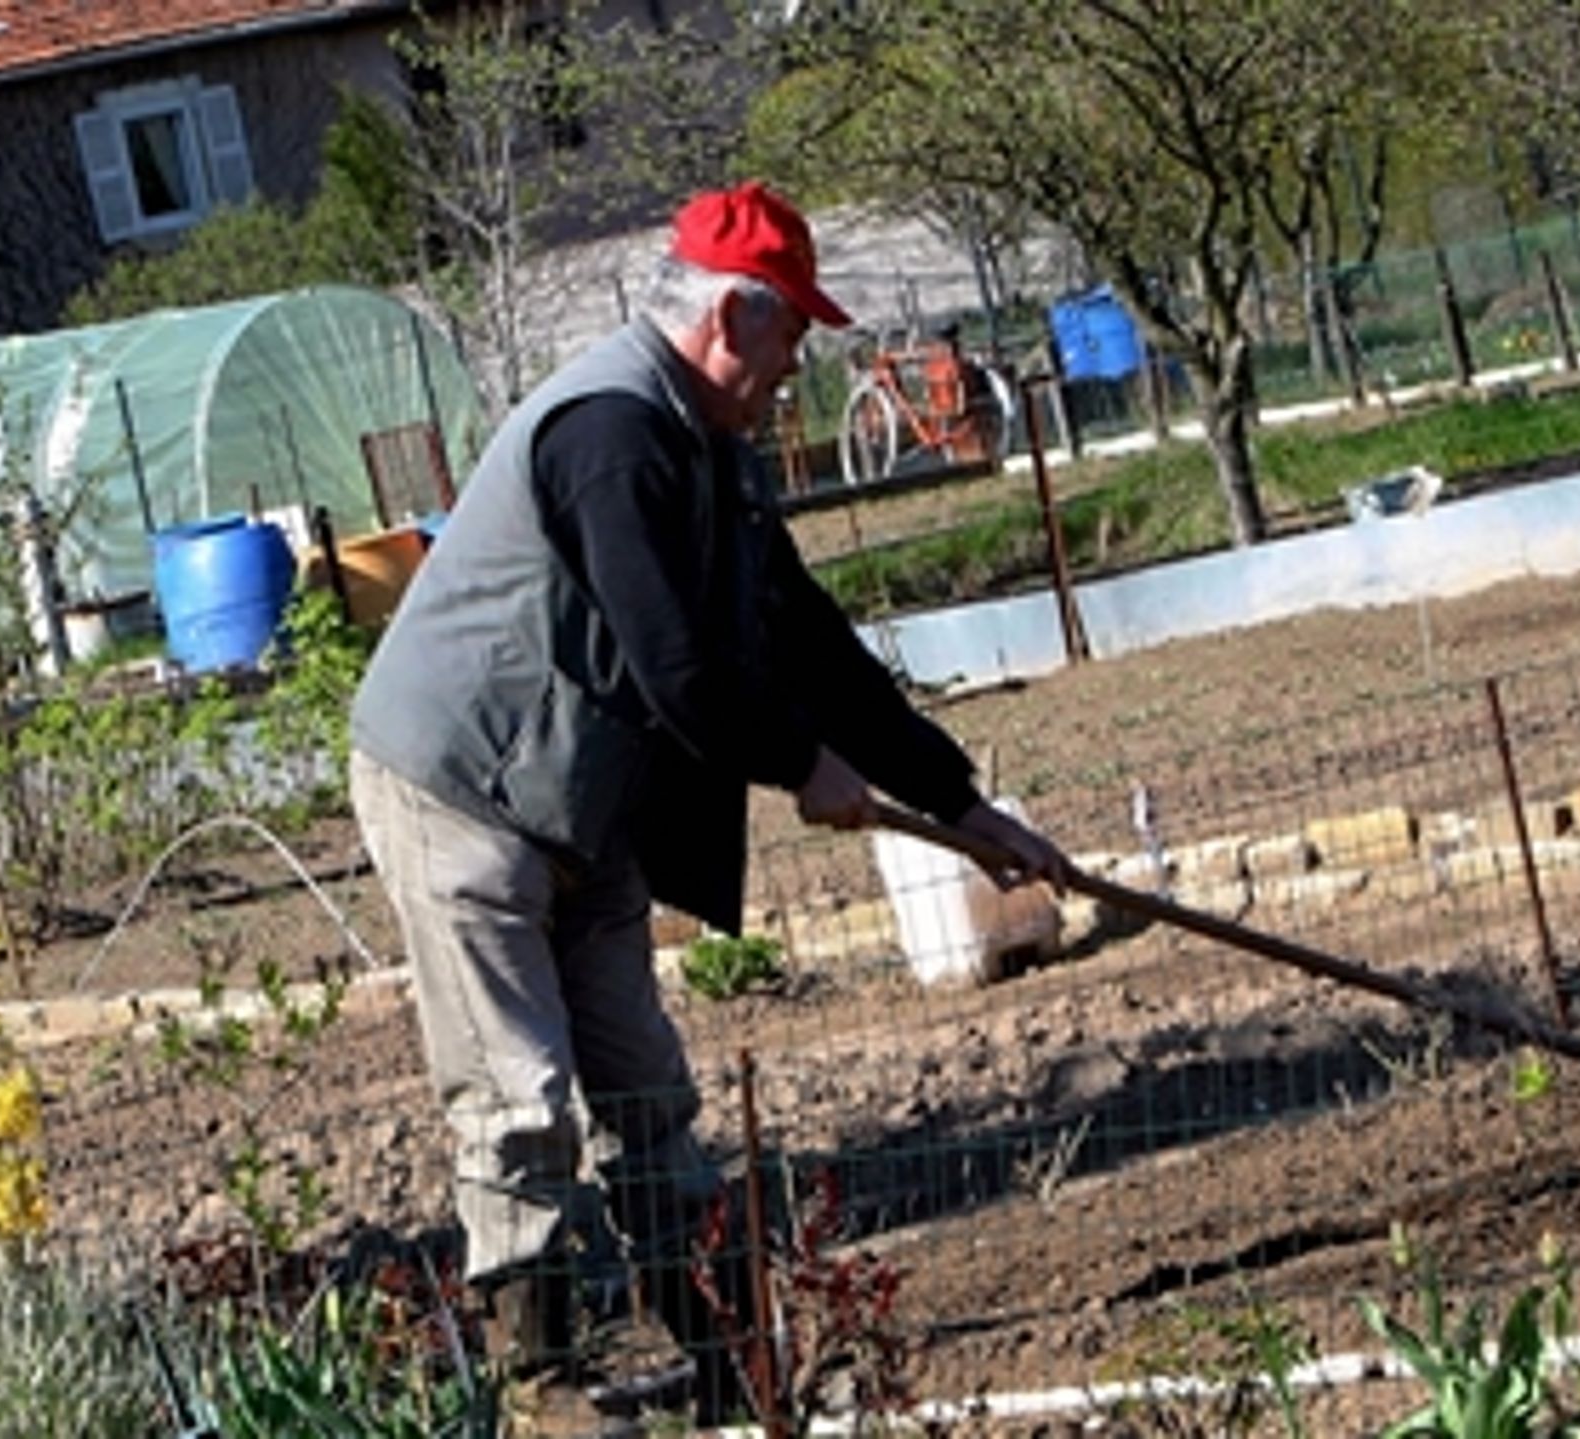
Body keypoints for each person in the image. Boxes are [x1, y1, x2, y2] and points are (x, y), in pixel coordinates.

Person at [347, 180, 1068, 1427]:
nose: (798, 368)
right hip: (460, 788)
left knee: (643, 1086)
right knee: (518, 1094)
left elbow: (806, 640)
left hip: (584, 797)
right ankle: (544, 1385)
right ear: (734, 317)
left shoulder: (713, 452)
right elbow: (678, 661)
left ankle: (726, 1350)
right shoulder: (610, 436)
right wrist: (800, 764)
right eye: (794, 334)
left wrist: (957, 799)